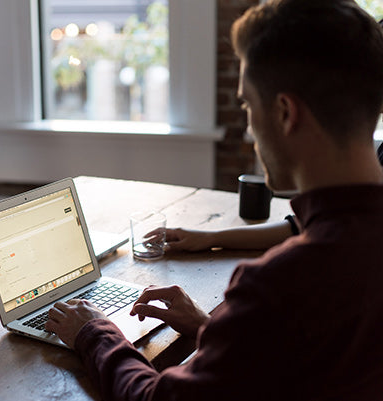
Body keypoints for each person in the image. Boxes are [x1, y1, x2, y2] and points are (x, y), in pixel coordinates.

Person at [45, 1, 383, 399]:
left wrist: (94, 332)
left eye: (247, 104)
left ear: (285, 112)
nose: (249, 129)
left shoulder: (280, 285)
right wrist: (219, 331)